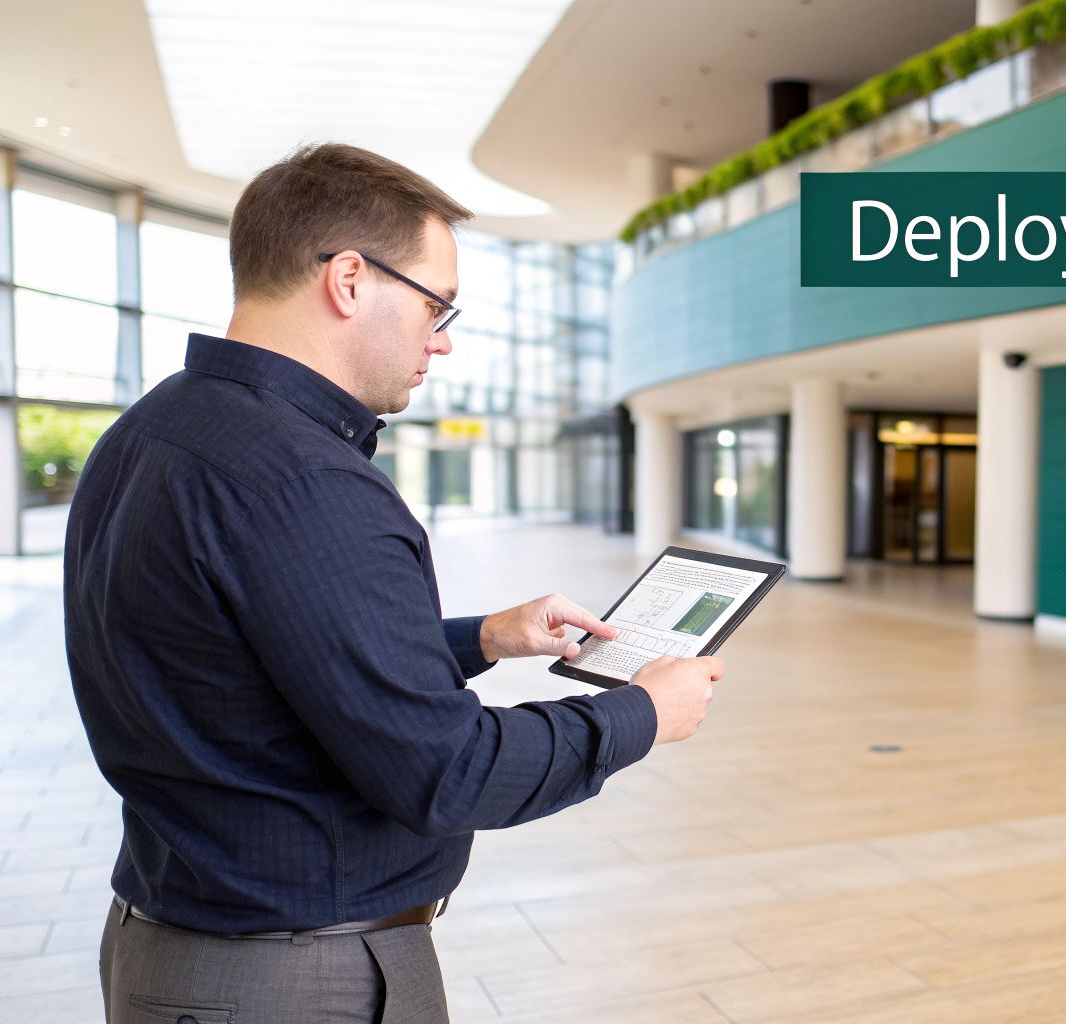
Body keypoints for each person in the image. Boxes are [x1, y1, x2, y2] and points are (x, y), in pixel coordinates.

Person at [64, 142, 723, 1023]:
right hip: (293, 977)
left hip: (179, 941)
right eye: (437, 305)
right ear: (348, 278)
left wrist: (483, 637)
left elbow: (262, 661)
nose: (442, 341)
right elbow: (450, 774)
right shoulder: (306, 482)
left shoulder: (155, 430)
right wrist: (642, 712)